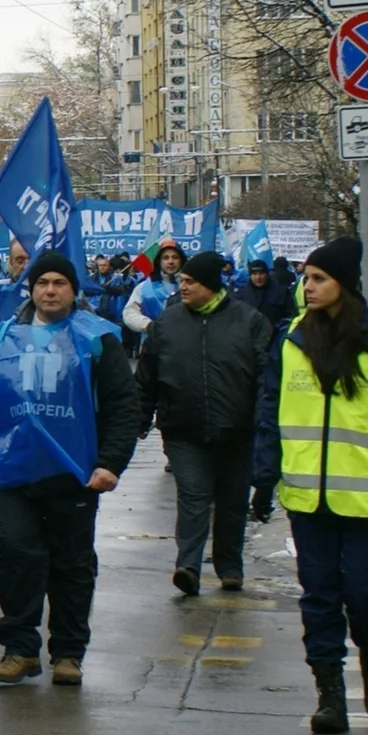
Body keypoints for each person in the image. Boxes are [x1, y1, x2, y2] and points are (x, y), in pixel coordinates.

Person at [0, 250, 141, 687]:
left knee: (72, 565)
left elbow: (122, 406)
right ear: (31, 288)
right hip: (16, 471)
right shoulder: (5, 336)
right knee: (15, 554)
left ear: (74, 290)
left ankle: (68, 653)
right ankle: (19, 648)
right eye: (42, 283)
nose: (50, 290)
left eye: (59, 283)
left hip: (74, 473)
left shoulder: (97, 338)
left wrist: (111, 463)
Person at [252, 237, 368, 734]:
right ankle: (329, 694)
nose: (308, 286)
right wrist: (263, 478)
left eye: (319, 278)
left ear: (344, 283)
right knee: (319, 596)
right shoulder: (292, 340)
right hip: (308, 497)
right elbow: (270, 411)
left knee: (365, 593)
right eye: (305, 278)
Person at [136, 251, 271, 597]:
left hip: (236, 431)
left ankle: (229, 567)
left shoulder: (249, 321)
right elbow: (147, 376)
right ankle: (189, 566)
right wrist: (138, 418)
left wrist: (260, 424)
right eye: (181, 280)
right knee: (193, 497)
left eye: (190, 281)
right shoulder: (167, 324)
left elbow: (263, 379)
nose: (182, 286)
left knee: (231, 501)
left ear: (211, 286)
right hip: (183, 430)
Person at [123, 239, 184, 335]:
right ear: (159, 261)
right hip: (152, 343)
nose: (170, 261)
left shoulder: (192, 286)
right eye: (166, 257)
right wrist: (148, 325)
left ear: (181, 260)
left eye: (175, 257)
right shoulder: (144, 287)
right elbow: (129, 312)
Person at [233, 259, 296, 333]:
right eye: (254, 274)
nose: (258, 277)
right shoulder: (242, 293)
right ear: (250, 275)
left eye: (261, 273)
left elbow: (290, 315)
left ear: (267, 274)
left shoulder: (281, 291)